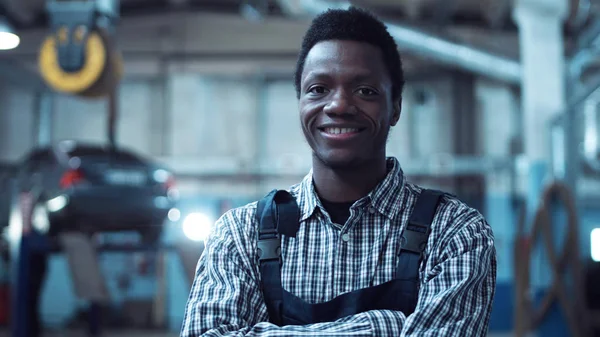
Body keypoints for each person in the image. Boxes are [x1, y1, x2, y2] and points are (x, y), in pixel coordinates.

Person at [181, 6, 496, 336]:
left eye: (365, 91)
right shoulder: (239, 236)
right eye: (318, 89)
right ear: (301, 103)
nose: (339, 105)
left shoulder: (454, 234)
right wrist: (384, 325)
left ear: (396, 107)